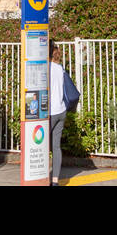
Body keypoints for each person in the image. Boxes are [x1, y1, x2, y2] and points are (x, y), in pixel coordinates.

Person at [49, 43, 67, 187]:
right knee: (56, 147)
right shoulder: (60, 68)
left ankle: (40, 177)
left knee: (40, 145)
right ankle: (55, 180)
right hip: (61, 110)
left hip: (50, 112)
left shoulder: (46, 68)